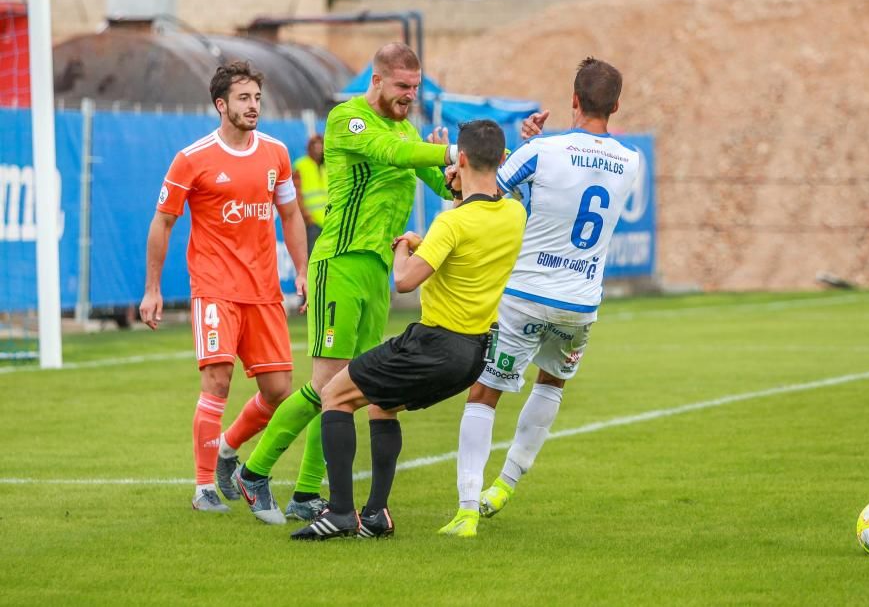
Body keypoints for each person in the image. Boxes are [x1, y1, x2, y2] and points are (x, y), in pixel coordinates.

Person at [228, 42, 457, 525]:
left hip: (377, 270)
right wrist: (448, 150)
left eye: (415, 88)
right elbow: (390, 152)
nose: (409, 96)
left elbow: (442, 184)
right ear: (377, 81)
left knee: (352, 387)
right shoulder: (348, 120)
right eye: (402, 86)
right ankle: (254, 470)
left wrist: (458, 171)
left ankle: (308, 492)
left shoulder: (407, 129)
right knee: (323, 382)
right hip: (339, 262)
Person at [291, 119, 526, 541]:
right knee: (382, 404)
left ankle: (341, 513)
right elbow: (472, 231)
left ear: (462, 159)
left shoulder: (450, 224)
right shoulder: (514, 213)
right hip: (474, 354)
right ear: (503, 160)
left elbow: (404, 281)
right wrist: (443, 217)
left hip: (435, 343)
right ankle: (377, 513)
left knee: (334, 395)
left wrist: (402, 248)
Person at [438, 57, 642, 537]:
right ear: (615, 105)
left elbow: (486, 195)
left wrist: (522, 147)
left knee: (484, 394)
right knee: (551, 384)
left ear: (572, 99)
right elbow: (576, 188)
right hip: (581, 301)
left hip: (526, 292)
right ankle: (504, 485)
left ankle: (468, 507)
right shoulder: (630, 162)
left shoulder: (544, 151)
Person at [139, 60, 308, 513]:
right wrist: (152, 289)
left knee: (278, 391)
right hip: (214, 287)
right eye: (243, 99)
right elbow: (164, 221)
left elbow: (290, 215)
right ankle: (203, 489)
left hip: (264, 290)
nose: (253, 106)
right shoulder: (193, 158)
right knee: (217, 379)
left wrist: (303, 271)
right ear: (221, 105)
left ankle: (228, 451)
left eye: (256, 98)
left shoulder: (275, 153)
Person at [292, 134, 326, 255]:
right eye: (315, 145)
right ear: (309, 147)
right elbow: (296, 195)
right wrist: (308, 219)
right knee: (312, 261)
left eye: (320, 145)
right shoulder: (301, 165)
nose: (318, 148)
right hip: (312, 224)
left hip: (329, 224)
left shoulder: (327, 166)